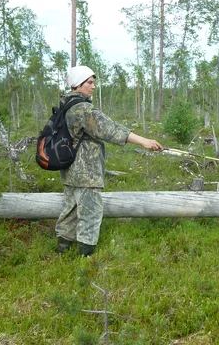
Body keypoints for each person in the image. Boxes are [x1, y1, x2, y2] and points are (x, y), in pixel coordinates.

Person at [56, 65, 163, 257]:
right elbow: (111, 130)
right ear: (77, 84)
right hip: (87, 173)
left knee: (69, 213)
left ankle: (62, 252)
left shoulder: (65, 106)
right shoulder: (84, 109)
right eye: (89, 82)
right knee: (90, 215)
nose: (93, 86)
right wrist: (144, 141)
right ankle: (85, 260)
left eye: (93, 82)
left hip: (68, 171)